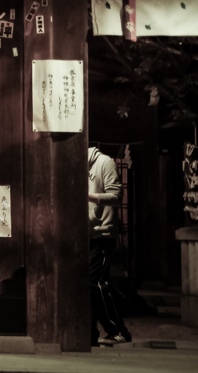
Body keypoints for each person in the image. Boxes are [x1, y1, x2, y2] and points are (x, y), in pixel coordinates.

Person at [88, 145, 131, 346]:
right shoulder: (75, 165)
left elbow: (116, 196)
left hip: (102, 232)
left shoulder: (105, 162)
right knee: (86, 285)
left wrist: (87, 196)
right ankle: (89, 334)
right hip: (83, 234)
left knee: (94, 282)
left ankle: (118, 330)